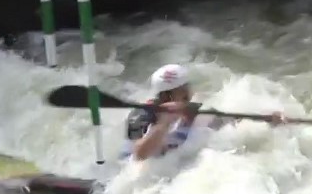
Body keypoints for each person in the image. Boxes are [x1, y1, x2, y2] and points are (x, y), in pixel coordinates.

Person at [123, 64, 286, 161]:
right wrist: (164, 123)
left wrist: (268, 119)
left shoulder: (193, 112)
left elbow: (230, 120)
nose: (189, 93)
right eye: (184, 90)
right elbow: (140, 155)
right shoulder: (141, 116)